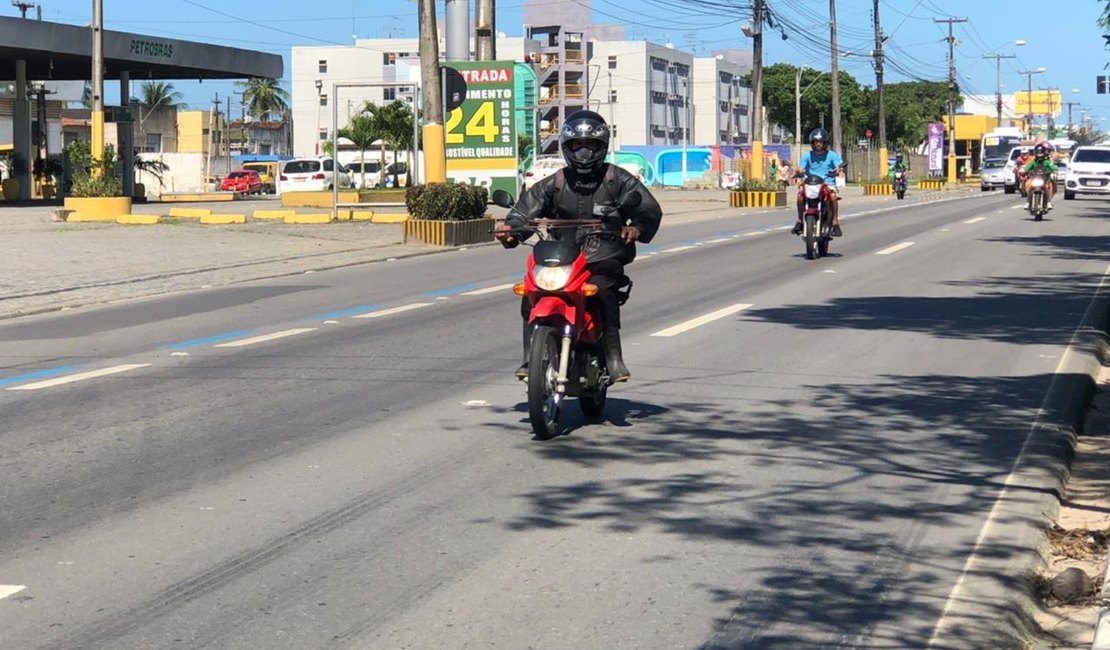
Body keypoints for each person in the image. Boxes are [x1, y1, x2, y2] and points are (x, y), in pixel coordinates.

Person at [495, 110, 662, 383]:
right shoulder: (555, 182)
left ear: (602, 147)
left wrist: (637, 228)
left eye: (591, 146)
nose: (584, 153)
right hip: (562, 256)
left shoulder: (616, 179)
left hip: (603, 253)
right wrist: (511, 230)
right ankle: (529, 357)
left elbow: (648, 209)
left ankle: (613, 356)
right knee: (530, 290)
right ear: (567, 147)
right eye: (577, 146)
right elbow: (525, 212)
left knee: (604, 289)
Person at [791, 128, 845, 237]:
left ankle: (835, 222)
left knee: (833, 197)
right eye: (816, 142)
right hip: (810, 183)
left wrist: (838, 169)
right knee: (800, 196)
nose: (818, 144)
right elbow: (801, 168)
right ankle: (800, 221)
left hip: (827, 183)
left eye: (820, 142)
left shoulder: (832, 155)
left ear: (825, 143)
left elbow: (838, 165)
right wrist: (798, 171)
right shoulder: (807, 156)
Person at [1023, 142, 1057, 209]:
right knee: (1030, 187)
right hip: (1035, 178)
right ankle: (1028, 202)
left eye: (1041, 152)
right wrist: (1024, 170)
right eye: (1038, 152)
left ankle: (1048, 202)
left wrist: (1054, 170)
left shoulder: (1047, 161)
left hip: (1044, 179)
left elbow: (1052, 167)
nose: (1039, 154)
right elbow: (1027, 167)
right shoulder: (1034, 161)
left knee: (1046, 188)